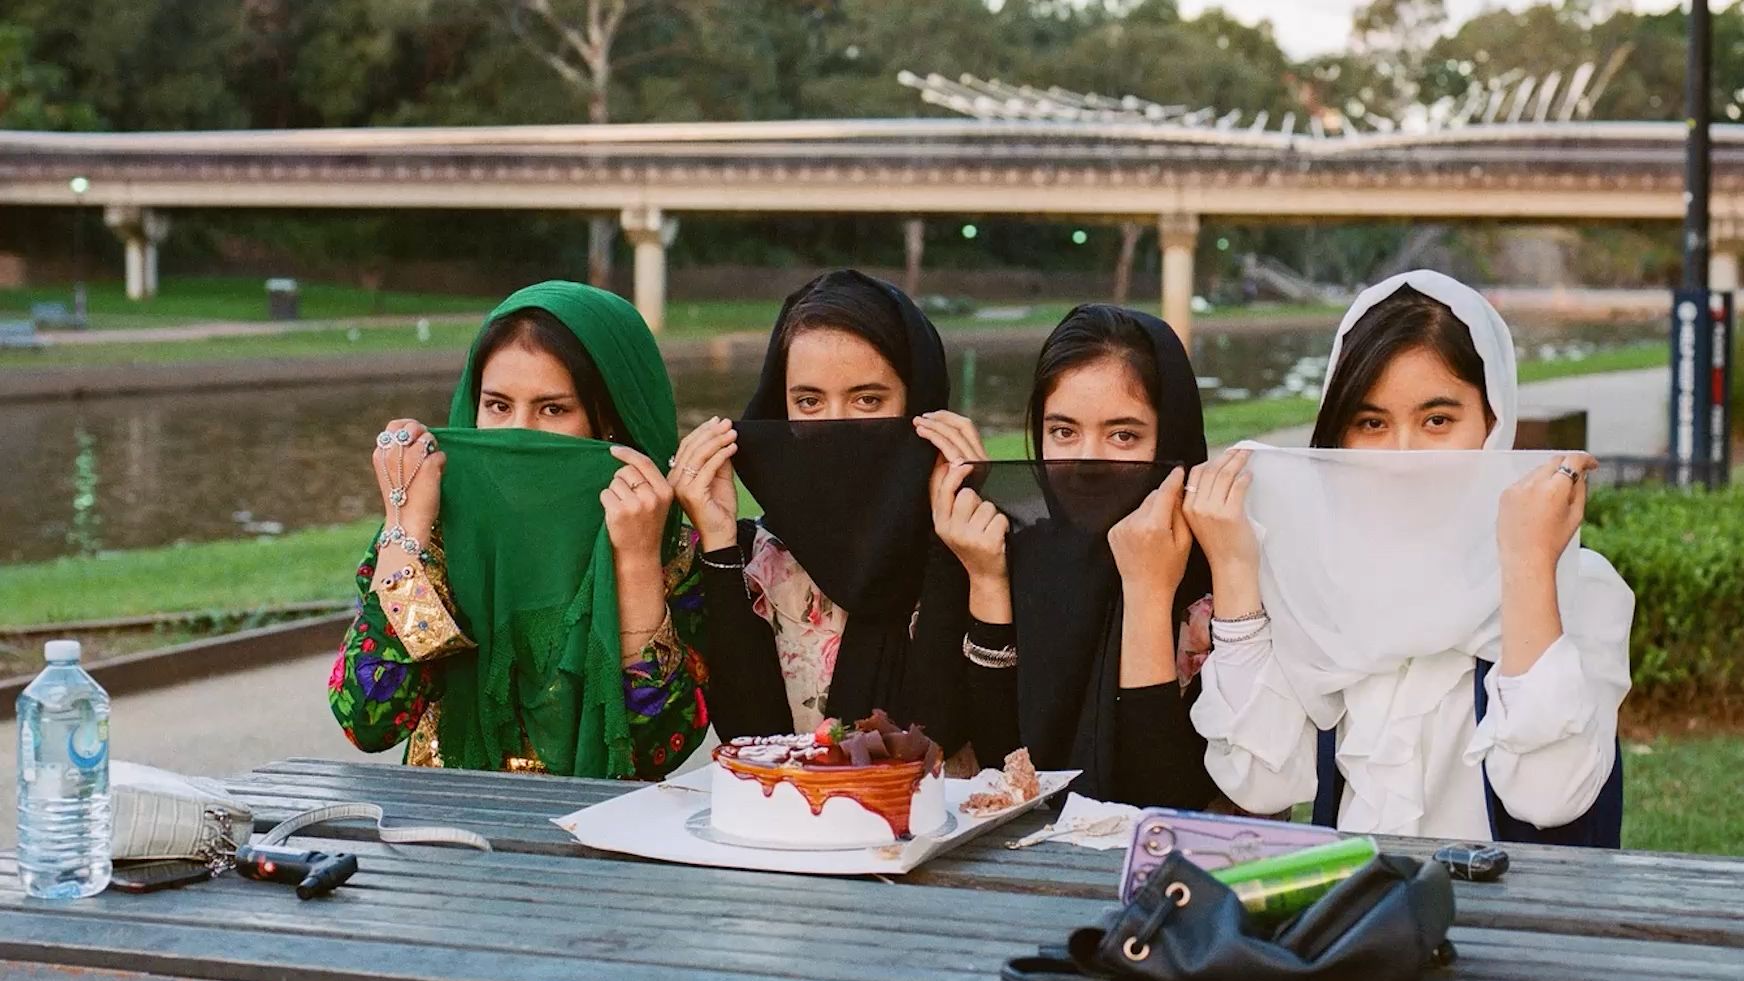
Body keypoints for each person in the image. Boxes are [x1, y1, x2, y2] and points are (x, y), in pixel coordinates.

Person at [1184, 270, 1633, 843]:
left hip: (1518, 930)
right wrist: (1236, 570)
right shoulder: (1319, 587)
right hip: (1352, 923)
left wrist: (1525, 570)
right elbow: (1261, 786)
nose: (1403, 457)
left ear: (1493, 424)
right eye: (1371, 423)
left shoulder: (1579, 586)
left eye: (1437, 421)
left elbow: (1548, 796)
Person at [328, 281, 706, 780]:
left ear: (611, 421)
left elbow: (659, 748)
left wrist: (635, 566)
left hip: (605, 838)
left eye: (553, 409)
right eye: (498, 406)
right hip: (445, 836)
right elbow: (367, 720)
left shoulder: (668, 545)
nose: (517, 435)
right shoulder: (435, 531)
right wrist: (406, 530)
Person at [929, 304, 1219, 807]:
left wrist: (1148, 594)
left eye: (1123, 435)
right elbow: (1006, 771)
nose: (1088, 464)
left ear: (1172, 438)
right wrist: (988, 581)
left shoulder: (1214, 580)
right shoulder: (1023, 551)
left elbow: (1164, 799)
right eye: (1063, 431)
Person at [668, 269, 975, 738]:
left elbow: (940, 731)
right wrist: (718, 543)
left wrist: (949, 542)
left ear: (919, 404)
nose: (835, 428)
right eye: (809, 402)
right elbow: (749, 739)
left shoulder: (979, 547)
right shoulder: (758, 560)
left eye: (867, 400)